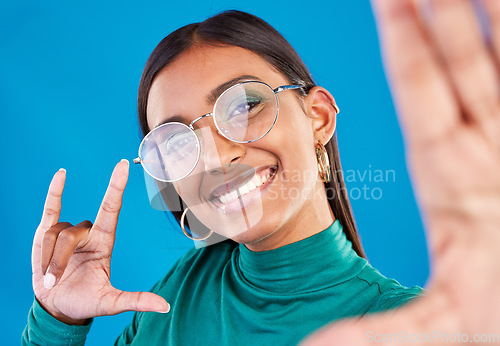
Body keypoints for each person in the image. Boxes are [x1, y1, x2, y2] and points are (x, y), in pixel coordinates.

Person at [23, 0, 500, 345]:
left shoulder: (411, 327)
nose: (213, 158)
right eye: (176, 142)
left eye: (245, 105)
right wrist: (55, 320)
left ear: (318, 117)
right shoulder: (177, 297)